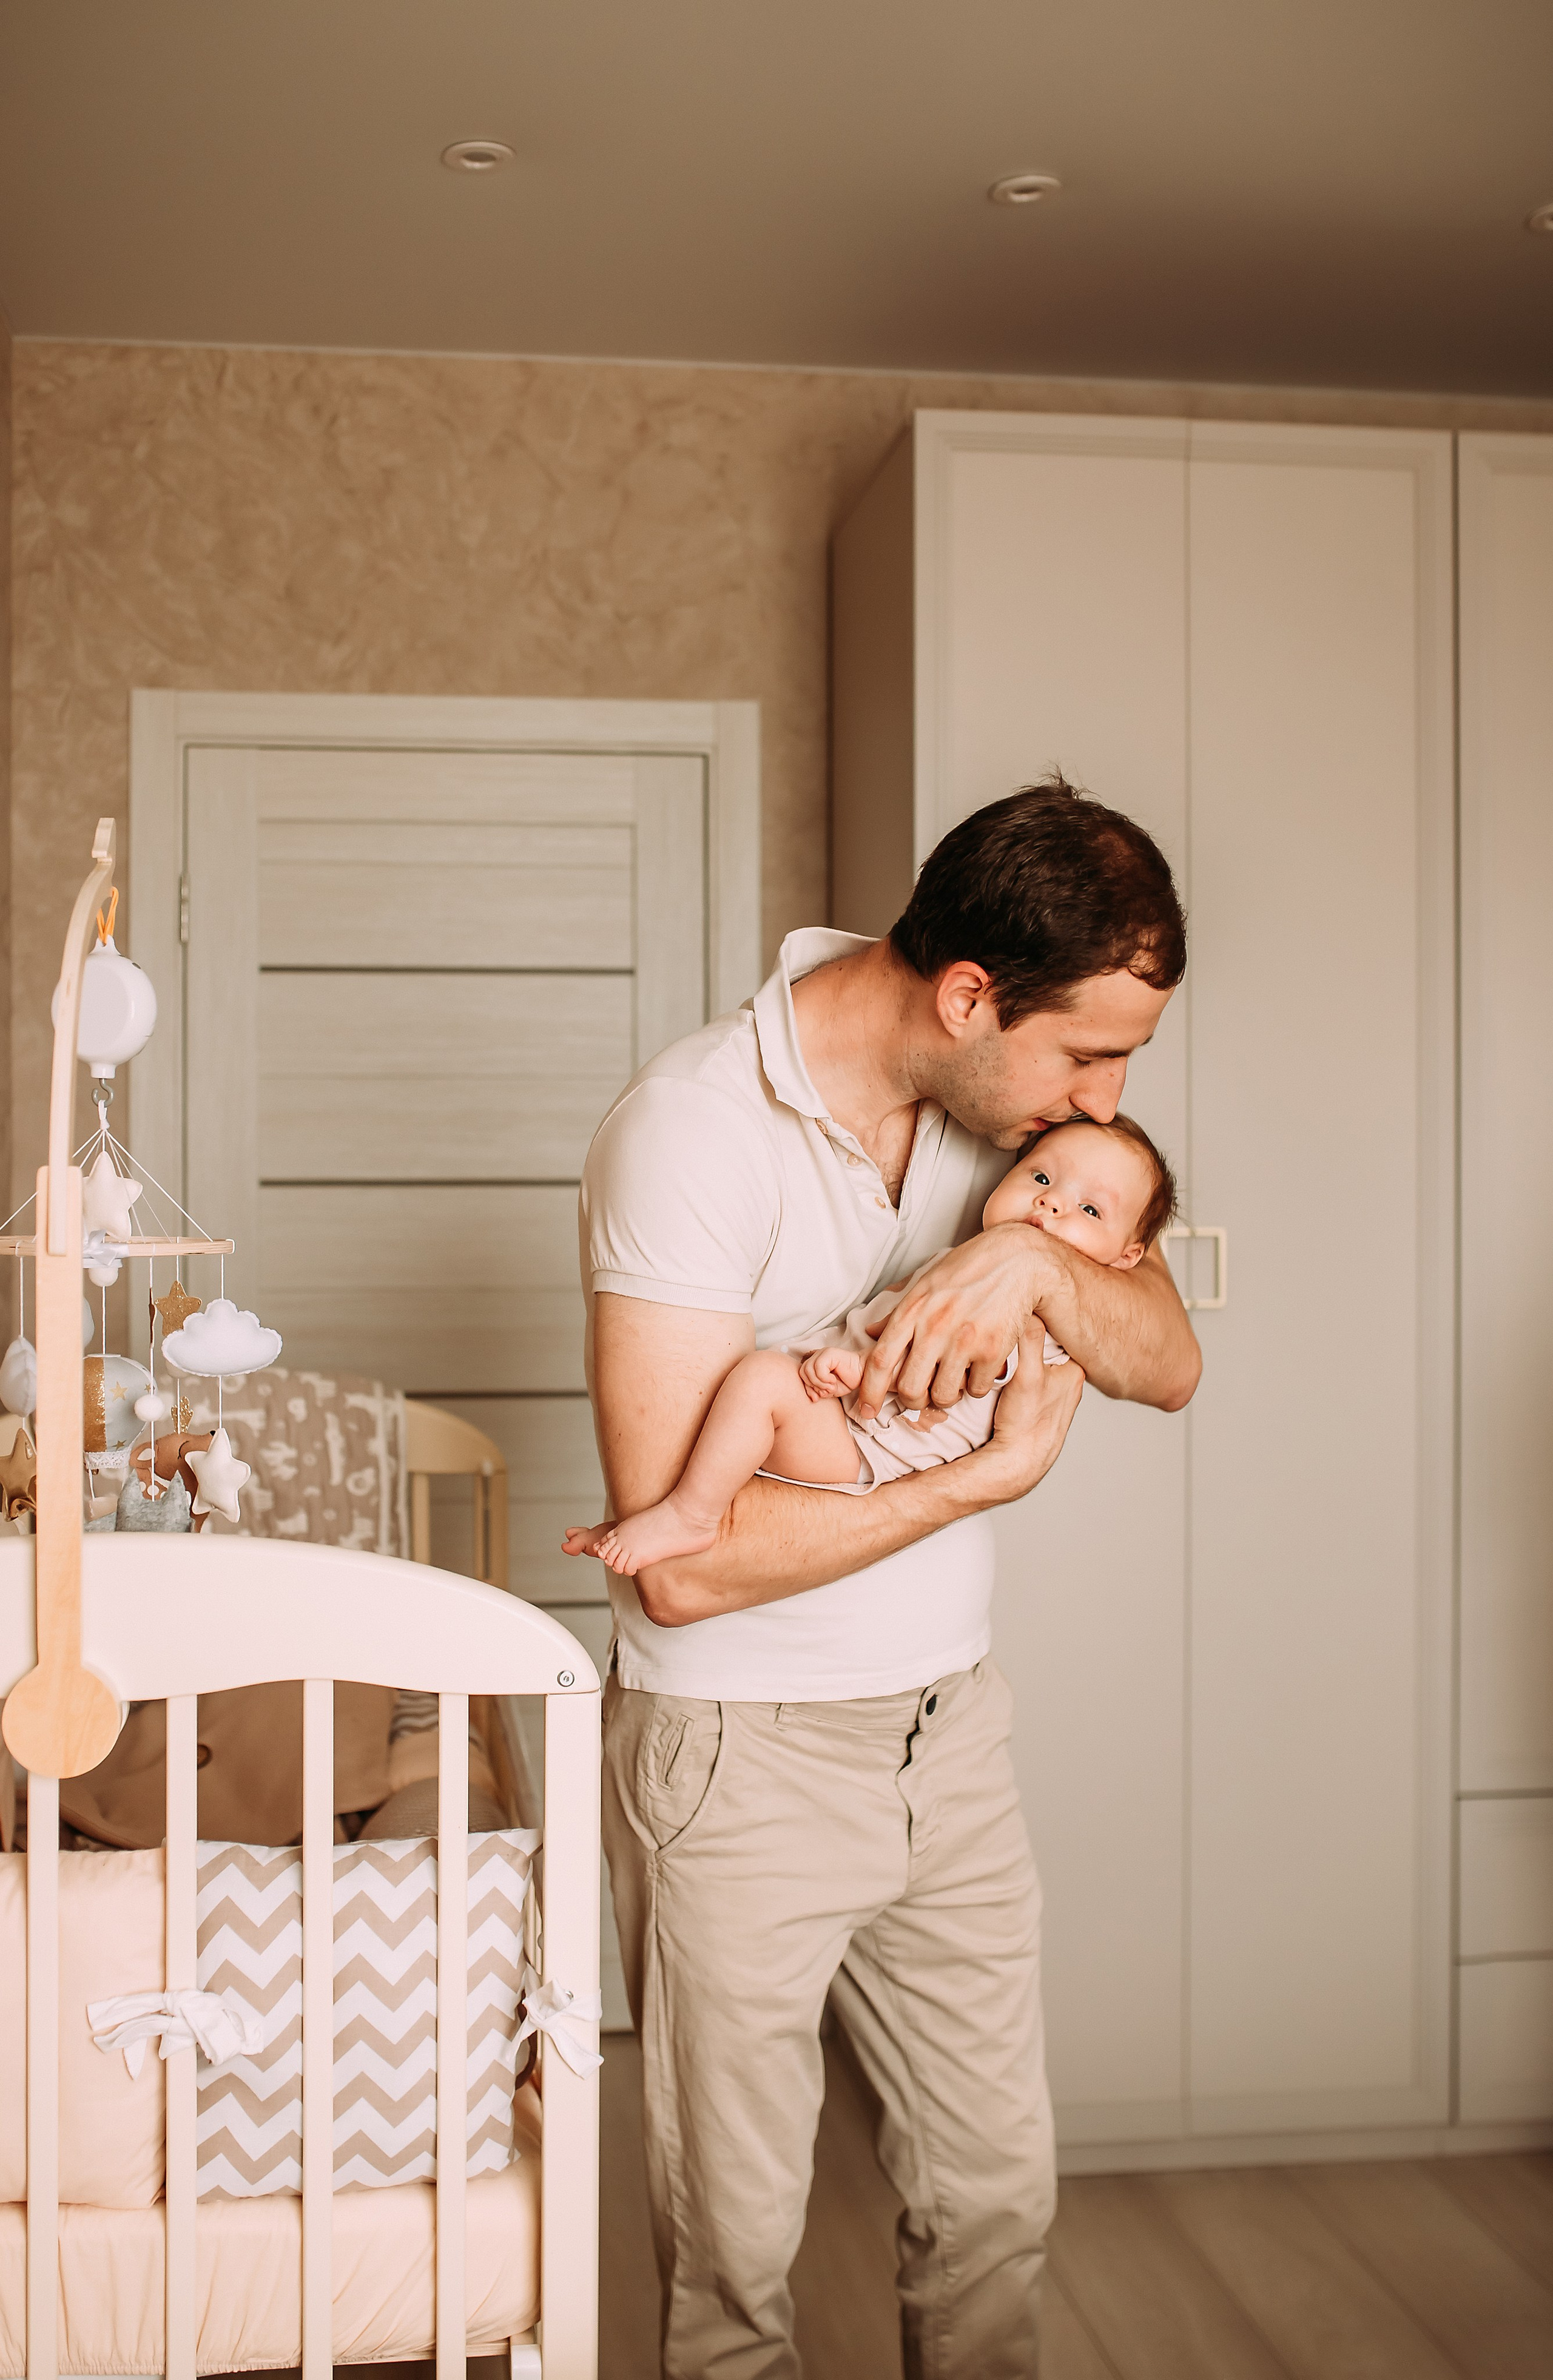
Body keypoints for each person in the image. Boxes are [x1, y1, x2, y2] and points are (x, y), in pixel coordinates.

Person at [577, 778, 1199, 2380]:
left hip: (951, 1740)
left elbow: (1169, 1357)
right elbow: (684, 1572)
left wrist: (1039, 1256)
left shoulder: (1035, 1151)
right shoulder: (694, 1131)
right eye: (1087, 1051)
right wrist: (984, 1480)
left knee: (995, 2202)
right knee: (738, 2250)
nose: (1111, 1094)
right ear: (969, 993)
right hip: (740, 1760)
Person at [563, 1112, 1176, 1576]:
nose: (1050, 1201)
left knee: (758, 1385)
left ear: (1125, 1260)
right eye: (1040, 1176)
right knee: (725, 1412)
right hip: (865, 1417)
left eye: (1089, 1210)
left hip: (878, 1438)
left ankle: (690, 1516)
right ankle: (662, 1514)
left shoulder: (1030, 1322)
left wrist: (858, 1367)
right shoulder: (978, 1266)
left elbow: (952, 1374)